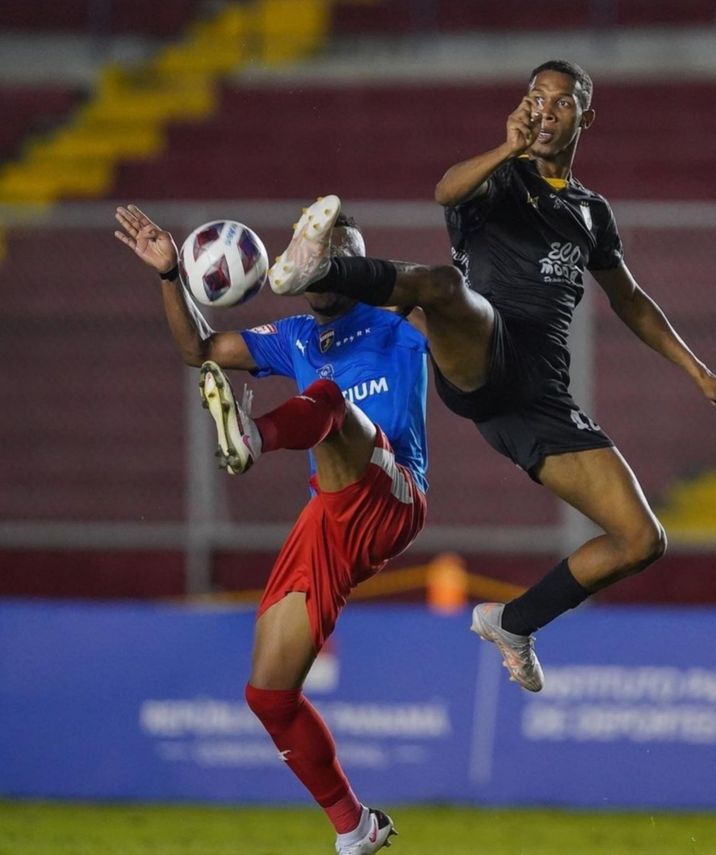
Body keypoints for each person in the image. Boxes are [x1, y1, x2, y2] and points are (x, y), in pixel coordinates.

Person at [265, 59, 716, 694]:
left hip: (536, 397)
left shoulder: (591, 213)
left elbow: (629, 299)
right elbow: (445, 190)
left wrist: (699, 372)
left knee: (641, 539)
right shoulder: (497, 178)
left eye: (562, 102)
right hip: (481, 356)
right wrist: (504, 149)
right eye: (534, 98)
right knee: (445, 285)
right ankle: (316, 272)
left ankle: (514, 624)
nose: (546, 110)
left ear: (585, 117)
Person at [114, 203, 428, 854]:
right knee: (268, 695)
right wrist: (172, 275)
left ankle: (254, 436)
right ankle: (355, 826)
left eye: (327, 249)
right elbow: (197, 349)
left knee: (332, 402)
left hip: (394, 491)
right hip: (330, 519)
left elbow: (436, 291)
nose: (312, 258)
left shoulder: (398, 316)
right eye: (305, 248)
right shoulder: (294, 336)